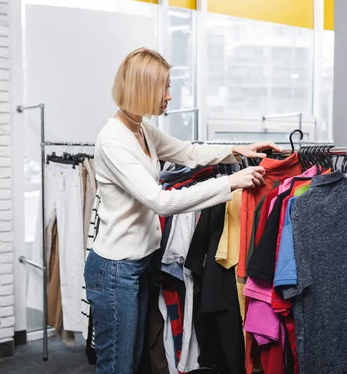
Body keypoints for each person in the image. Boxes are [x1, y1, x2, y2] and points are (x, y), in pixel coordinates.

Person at [85, 47, 279, 374]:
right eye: (165, 87)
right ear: (144, 88)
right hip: (115, 269)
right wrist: (231, 183)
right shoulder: (113, 141)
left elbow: (186, 152)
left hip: (137, 262)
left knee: (132, 359)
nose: (170, 96)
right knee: (117, 366)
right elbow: (161, 201)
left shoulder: (140, 128)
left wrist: (237, 150)